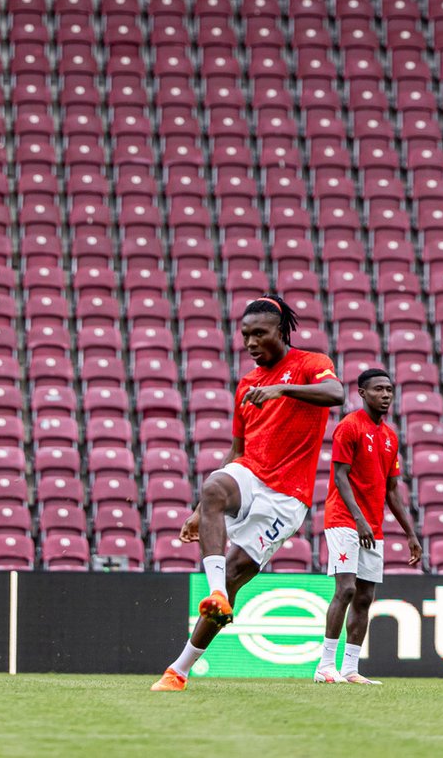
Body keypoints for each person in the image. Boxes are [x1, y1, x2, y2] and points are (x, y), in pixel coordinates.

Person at [151, 293, 344, 691]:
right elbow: (237, 450)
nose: (251, 343)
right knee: (213, 486)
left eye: (260, 334)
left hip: (287, 496)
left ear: (281, 331)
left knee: (238, 572)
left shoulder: (311, 364)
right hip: (251, 473)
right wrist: (199, 508)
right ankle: (216, 593)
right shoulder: (247, 384)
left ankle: (180, 668)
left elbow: (337, 395)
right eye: (245, 335)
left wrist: (283, 392)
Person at [315, 367, 422, 685]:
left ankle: (349, 669)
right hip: (344, 520)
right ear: (361, 393)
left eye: (389, 389)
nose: (386, 395)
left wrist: (410, 533)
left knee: (365, 597)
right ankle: (324, 666)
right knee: (346, 588)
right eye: (378, 389)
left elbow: (392, 490)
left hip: (372, 527)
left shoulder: (390, 436)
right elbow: (340, 476)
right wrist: (359, 519)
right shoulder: (349, 427)